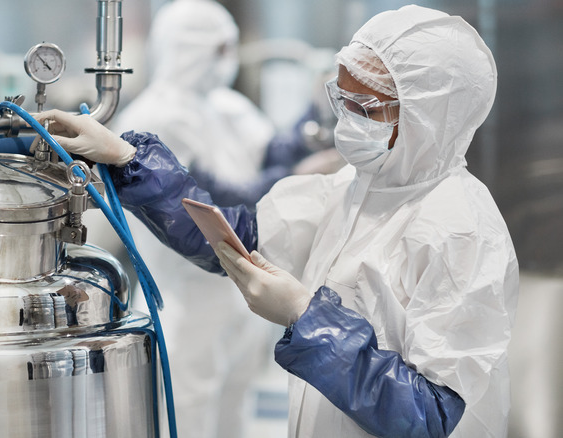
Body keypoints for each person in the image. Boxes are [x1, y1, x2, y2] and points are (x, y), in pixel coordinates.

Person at [37, 5, 518, 438]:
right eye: (340, 100)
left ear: (429, 117)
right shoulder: (355, 189)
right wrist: (128, 159)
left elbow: (429, 416)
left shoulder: (462, 232)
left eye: (364, 108)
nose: (346, 121)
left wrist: (308, 320)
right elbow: (239, 238)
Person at [108, 1, 325, 437]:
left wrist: (313, 112)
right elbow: (208, 203)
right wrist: (295, 177)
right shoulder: (153, 118)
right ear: (191, 49)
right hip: (185, 296)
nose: (228, 60)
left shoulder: (226, 106)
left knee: (234, 403)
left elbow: (270, 155)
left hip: (238, 291)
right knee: (187, 411)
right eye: (219, 48)